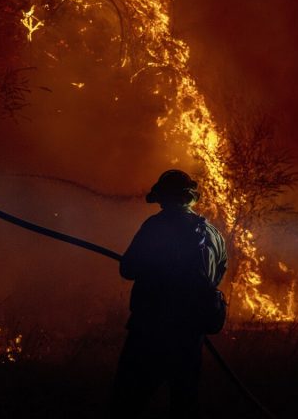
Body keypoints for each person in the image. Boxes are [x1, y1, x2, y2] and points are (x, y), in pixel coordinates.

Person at [111, 170, 227, 419]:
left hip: (152, 330)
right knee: (184, 404)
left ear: (164, 197)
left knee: (126, 401)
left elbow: (128, 268)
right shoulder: (213, 234)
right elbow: (216, 277)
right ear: (190, 198)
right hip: (190, 335)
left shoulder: (156, 225)